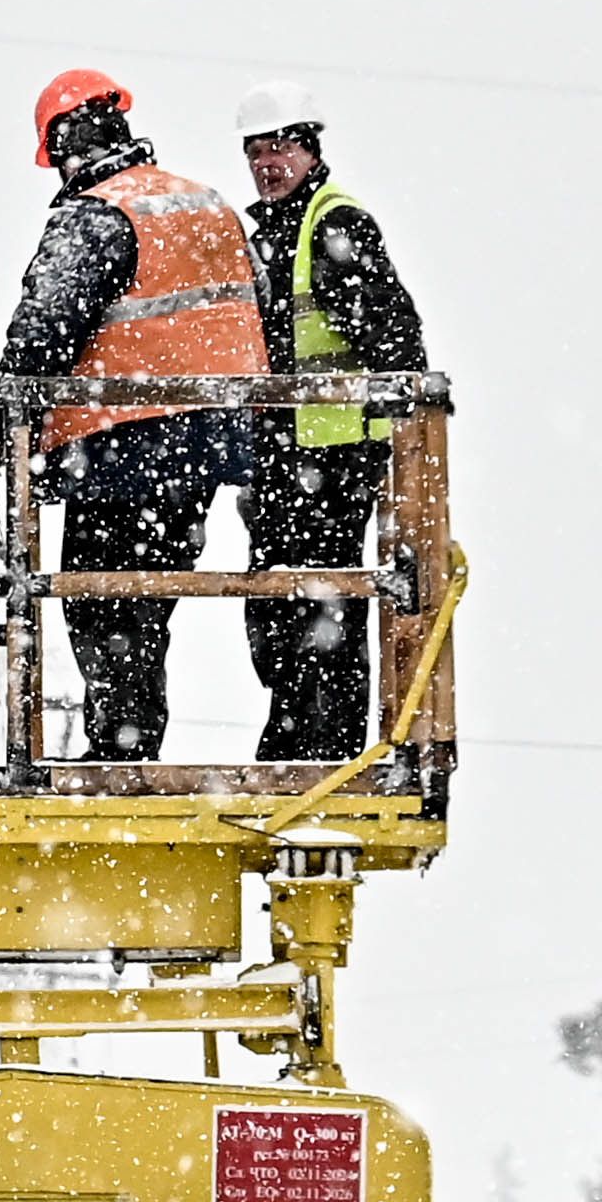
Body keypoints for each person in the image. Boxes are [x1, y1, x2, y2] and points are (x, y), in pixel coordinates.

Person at [0, 71, 268, 760]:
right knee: (145, 599)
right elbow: (265, 314)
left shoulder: (96, 213)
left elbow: (42, 332)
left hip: (122, 442)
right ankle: (128, 742)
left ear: (62, 145)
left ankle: (120, 749)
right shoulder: (204, 202)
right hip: (210, 441)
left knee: (98, 599)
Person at [223, 83, 429, 764]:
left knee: (326, 608)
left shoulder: (334, 223)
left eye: (279, 145)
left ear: (310, 149)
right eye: (255, 150)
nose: (266, 161)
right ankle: (292, 735)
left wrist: (399, 427)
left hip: (333, 454)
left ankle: (327, 750)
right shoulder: (270, 235)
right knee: (272, 605)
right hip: (282, 456)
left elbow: (396, 337)